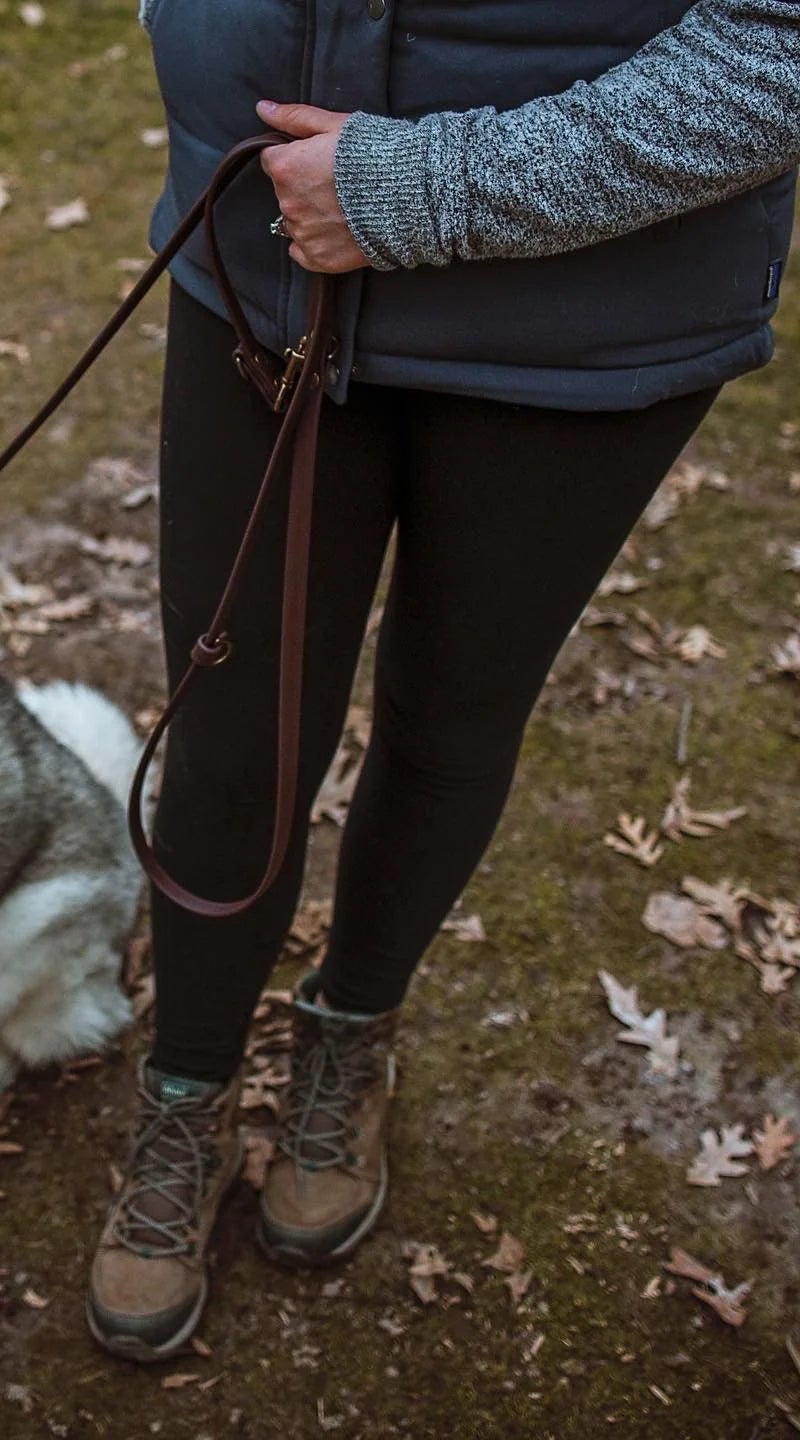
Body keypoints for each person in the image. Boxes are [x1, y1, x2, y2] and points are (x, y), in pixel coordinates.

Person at [86, 0, 800, 1361]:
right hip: (266, 250)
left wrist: (422, 189)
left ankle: (349, 1036)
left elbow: (778, 41)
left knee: (450, 714)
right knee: (231, 736)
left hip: (586, 308)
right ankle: (186, 1090)